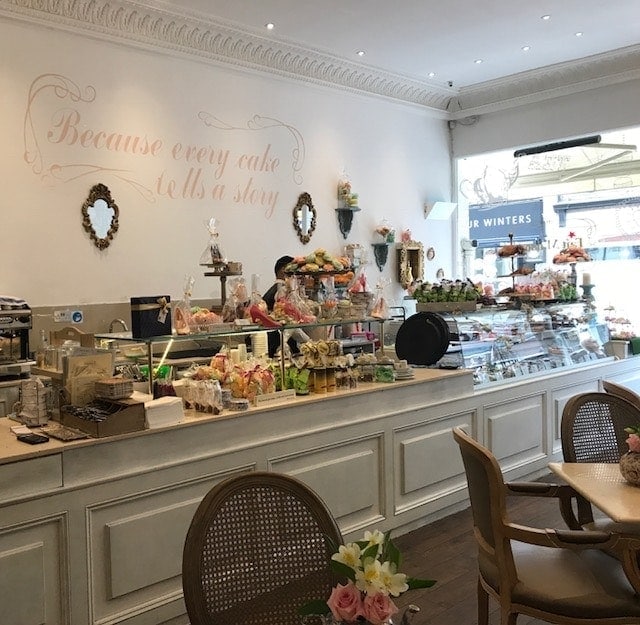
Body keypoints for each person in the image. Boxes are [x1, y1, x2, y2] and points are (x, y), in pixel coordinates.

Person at [262, 255, 310, 357]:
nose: (296, 274)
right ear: (284, 270)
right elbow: (290, 322)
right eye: (293, 269)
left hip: (273, 344)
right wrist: (308, 342)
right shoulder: (282, 290)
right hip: (281, 348)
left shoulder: (272, 291)